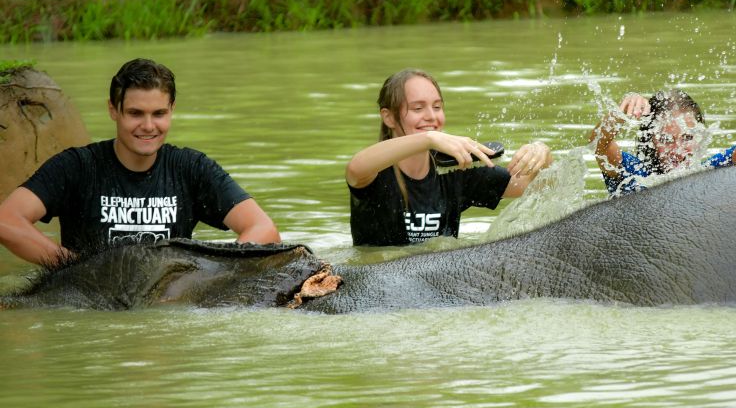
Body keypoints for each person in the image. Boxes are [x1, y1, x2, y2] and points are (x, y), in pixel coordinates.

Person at [0, 58, 281, 266]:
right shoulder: (76, 167)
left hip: (168, 310)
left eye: (158, 113)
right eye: (135, 113)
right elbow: (6, 220)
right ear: (113, 110)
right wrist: (73, 267)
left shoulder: (191, 168)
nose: (148, 126)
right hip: (93, 308)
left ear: (171, 110)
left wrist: (212, 273)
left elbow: (264, 229)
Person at [346, 68, 553, 246]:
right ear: (388, 117)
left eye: (437, 107)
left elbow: (542, 185)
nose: (431, 116)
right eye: (418, 108)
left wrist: (542, 154)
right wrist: (428, 138)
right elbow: (355, 169)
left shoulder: (455, 170)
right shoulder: (376, 172)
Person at [591, 73, 736, 197]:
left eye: (688, 138)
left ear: (701, 136)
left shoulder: (713, 173)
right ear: (650, 139)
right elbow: (599, 144)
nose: (677, 151)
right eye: (666, 140)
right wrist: (620, 113)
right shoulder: (633, 175)